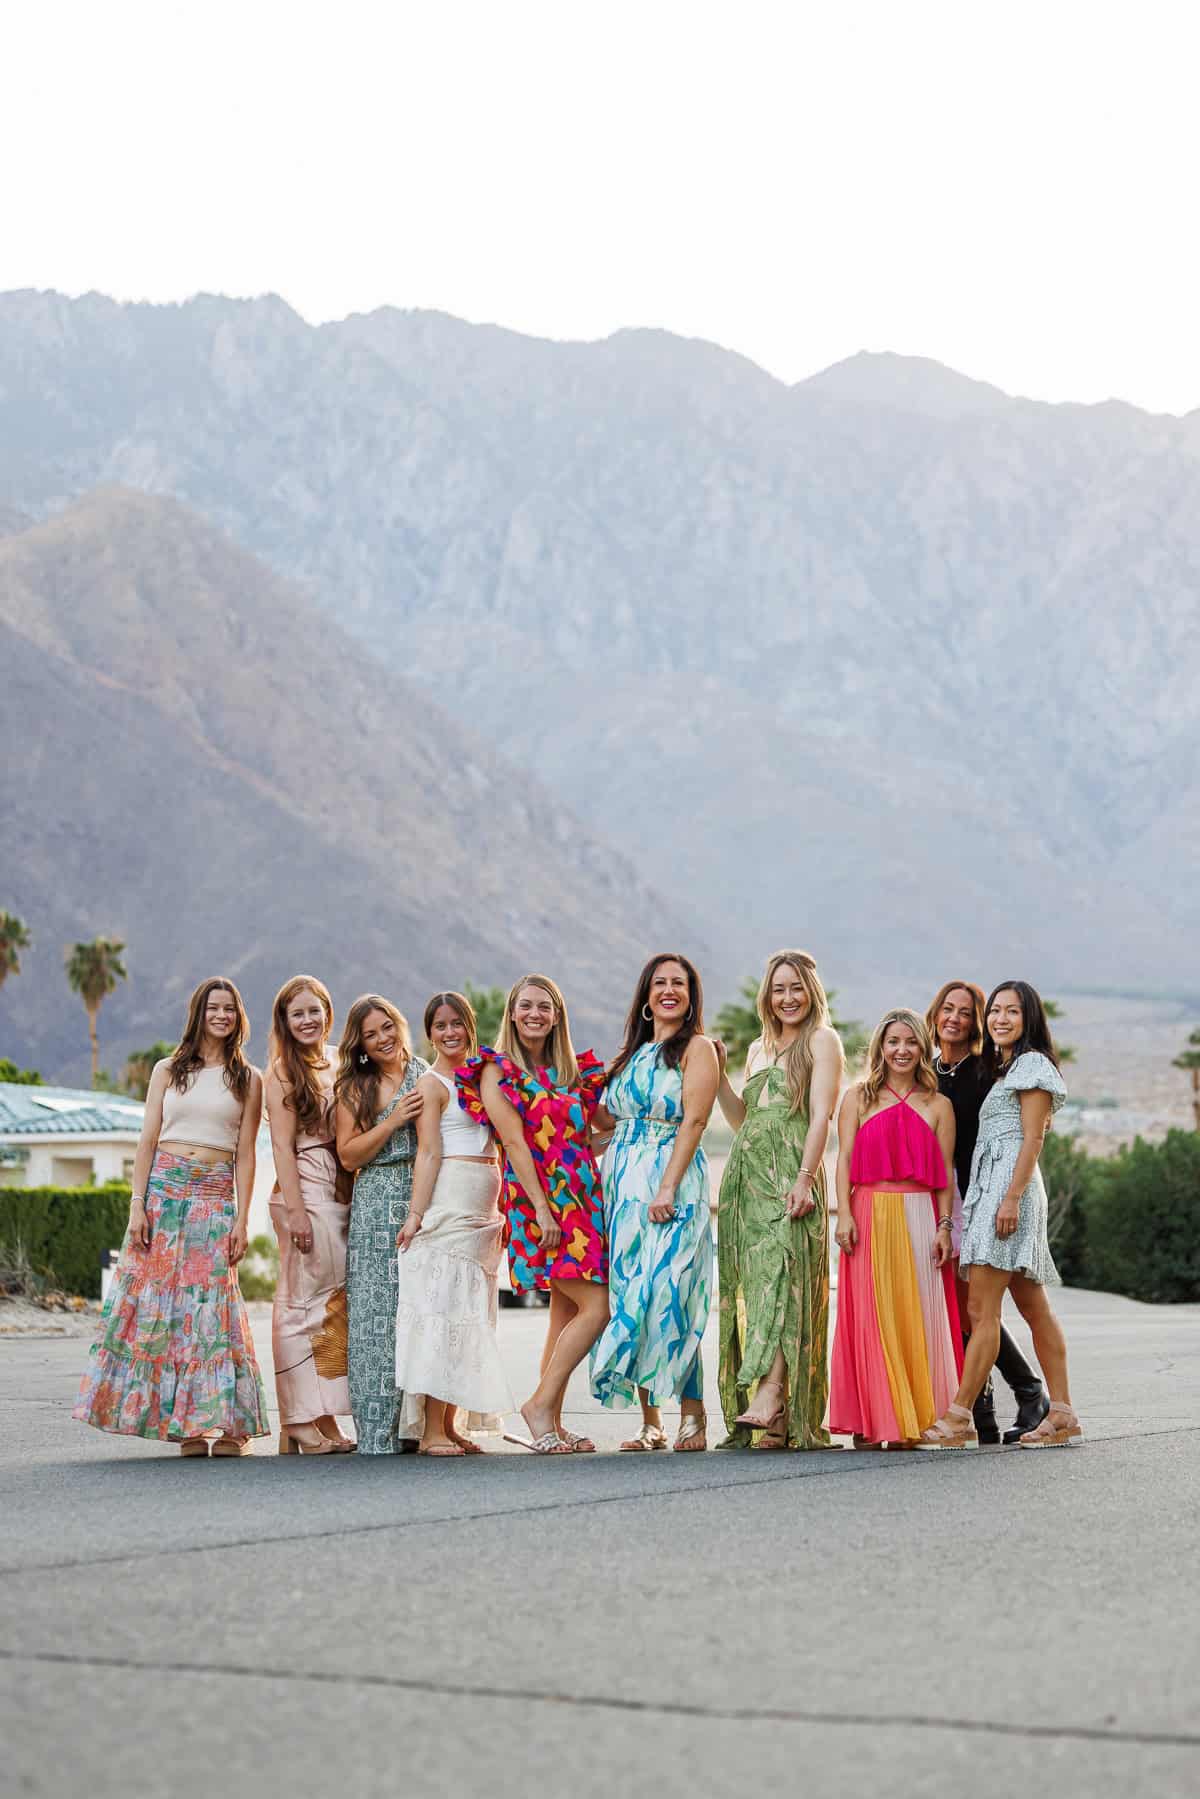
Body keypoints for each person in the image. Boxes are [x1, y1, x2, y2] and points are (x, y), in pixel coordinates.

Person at [74, 977, 269, 1455]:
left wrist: (243, 1220)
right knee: (164, 1308)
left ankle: (228, 1425)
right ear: (199, 1014)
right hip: (163, 1192)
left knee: (211, 1306)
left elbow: (246, 1154)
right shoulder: (169, 1070)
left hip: (213, 1194)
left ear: (238, 1017)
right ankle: (186, 1426)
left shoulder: (249, 1079)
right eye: (212, 1008)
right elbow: (147, 1142)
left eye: (229, 1008)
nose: (220, 1016)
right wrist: (137, 1203)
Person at [922, 981, 1081, 1449]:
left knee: (980, 1310)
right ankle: (1062, 1413)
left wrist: (1010, 1198)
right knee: (1033, 1308)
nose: (1000, 1019)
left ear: (1029, 1017)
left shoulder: (1030, 1065)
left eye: (1012, 1011)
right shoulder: (1004, 1067)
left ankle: (957, 1418)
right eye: (995, 1011)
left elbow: (1033, 1138)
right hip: (993, 1193)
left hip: (1004, 1195)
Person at [457, 974, 609, 1454]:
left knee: (563, 1315)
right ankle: (539, 1406)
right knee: (597, 1307)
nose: (534, 1014)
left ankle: (552, 1423)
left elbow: (589, 1135)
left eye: (544, 1007)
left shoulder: (571, 1073)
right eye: (526, 1006)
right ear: (512, 1012)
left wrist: (617, 1142)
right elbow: (516, 1145)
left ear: (557, 1015)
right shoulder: (497, 1071)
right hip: (539, 1204)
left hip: (584, 1200)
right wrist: (543, 1210)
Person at [714, 950, 843, 1451]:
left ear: (811, 992)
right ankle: (778, 1416)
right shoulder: (757, 1048)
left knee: (787, 1281)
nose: (787, 998)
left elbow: (819, 1118)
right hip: (749, 1179)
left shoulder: (822, 1041)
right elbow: (744, 1121)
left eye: (796, 988)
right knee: (759, 1284)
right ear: (766, 996)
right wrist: (723, 1078)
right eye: (778, 989)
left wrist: (806, 1178)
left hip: (794, 1173)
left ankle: (770, 1394)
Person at [590, 954, 718, 1452]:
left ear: (690, 996)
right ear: (645, 995)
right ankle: (651, 1422)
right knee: (631, 1296)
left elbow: (695, 1122)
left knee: (672, 1293)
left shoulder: (698, 1048)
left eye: (678, 984)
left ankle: (693, 1413)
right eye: (659, 983)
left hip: (672, 1179)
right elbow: (603, 1120)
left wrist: (666, 1186)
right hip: (621, 1185)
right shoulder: (630, 1056)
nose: (669, 990)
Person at [829, 1008, 962, 1448]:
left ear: (923, 1047)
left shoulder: (939, 1105)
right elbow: (844, 1161)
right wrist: (843, 1214)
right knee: (871, 1316)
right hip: (867, 1212)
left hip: (921, 1214)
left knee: (917, 1315)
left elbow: (944, 1172)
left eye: (910, 1042)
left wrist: (944, 1227)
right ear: (880, 1048)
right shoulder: (857, 1098)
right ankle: (873, 1420)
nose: (901, 1050)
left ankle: (911, 1420)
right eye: (893, 1042)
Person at [394, 992, 512, 1457]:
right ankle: (430, 1432)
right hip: (451, 1199)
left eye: (456, 1023)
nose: (450, 1032)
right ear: (429, 1033)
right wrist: (417, 1215)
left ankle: (452, 1422)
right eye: (440, 1025)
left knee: (469, 1316)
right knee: (442, 1313)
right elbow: (428, 1152)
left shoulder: (485, 1074)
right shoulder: (432, 1084)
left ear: (470, 1026)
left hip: (485, 1207)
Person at [264, 975, 354, 1455]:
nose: (307, 1021)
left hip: (339, 1187)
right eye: (297, 1013)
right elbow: (280, 1143)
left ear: (327, 1013)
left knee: (331, 1308)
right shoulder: (281, 1071)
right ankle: (296, 1419)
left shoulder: (340, 1059)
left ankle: (324, 1415)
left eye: (313, 1011)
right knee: (299, 1305)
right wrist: (295, 1210)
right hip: (303, 1187)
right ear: (285, 1021)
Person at [335, 995, 427, 1455]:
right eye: (372, 1034)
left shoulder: (423, 1071)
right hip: (375, 1199)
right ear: (362, 1046)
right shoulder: (355, 1086)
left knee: (420, 1310)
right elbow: (348, 1154)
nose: (383, 1038)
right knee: (375, 1317)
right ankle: (377, 1431)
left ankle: (420, 1428)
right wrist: (391, 1121)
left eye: (387, 1026)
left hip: (422, 1195)